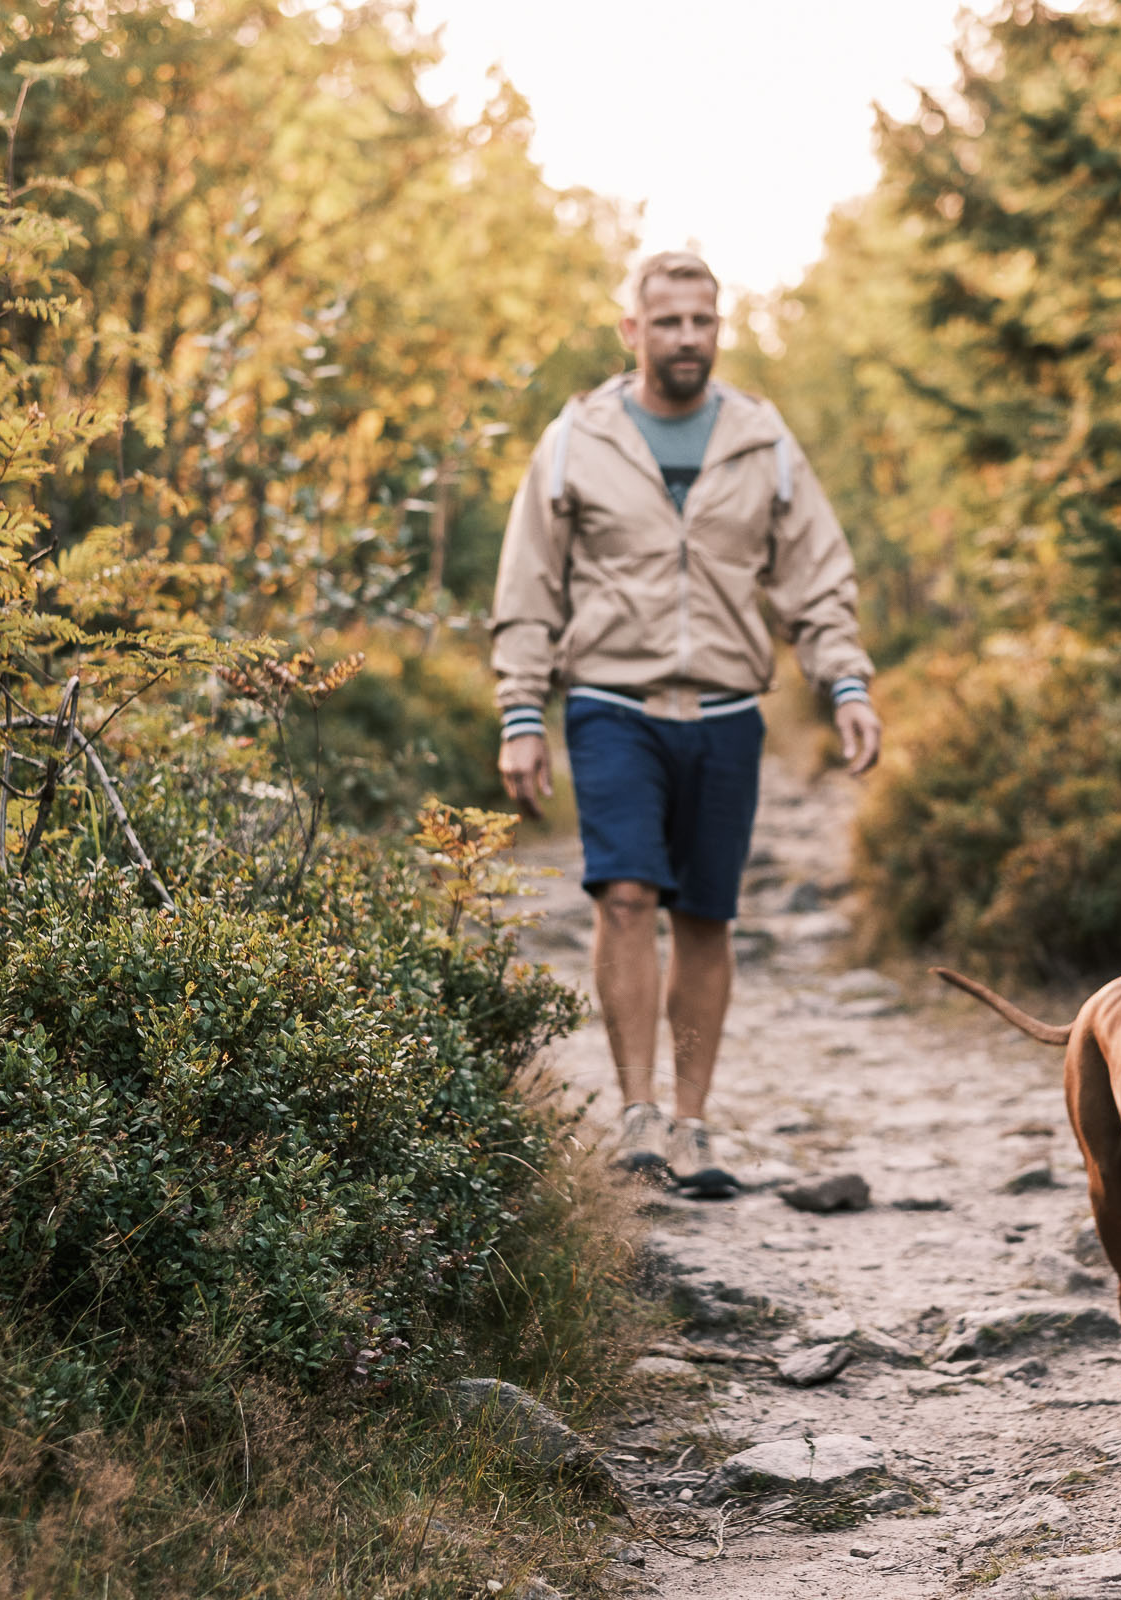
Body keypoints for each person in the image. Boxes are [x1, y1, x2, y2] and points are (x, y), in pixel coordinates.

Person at [491, 250, 881, 1198]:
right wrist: (519, 708)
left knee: (706, 916)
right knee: (624, 897)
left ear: (719, 329)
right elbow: (530, 579)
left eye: (702, 322)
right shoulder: (577, 439)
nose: (686, 339)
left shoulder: (762, 440)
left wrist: (846, 684)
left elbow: (815, 575)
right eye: (666, 322)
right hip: (611, 704)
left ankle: (695, 1123)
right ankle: (637, 1113)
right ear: (631, 331)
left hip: (725, 711)